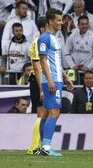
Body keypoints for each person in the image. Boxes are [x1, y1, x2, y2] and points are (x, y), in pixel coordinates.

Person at [36, 8, 73, 157]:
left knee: (46, 114)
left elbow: (55, 62)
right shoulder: (44, 38)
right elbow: (43, 61)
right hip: (51, 81)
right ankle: (46, 146)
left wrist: (65, 76)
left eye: (61, 19)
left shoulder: (55, 37)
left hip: (57, 78)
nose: (61, 22)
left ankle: (41, 146)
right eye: (58, 20)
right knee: (55, 112)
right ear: (50, 21)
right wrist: (50, 80)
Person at [26, 17, 47, 155]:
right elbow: (37, 68)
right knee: (41, 114)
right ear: (42, 28)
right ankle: (34, 147)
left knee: (45, 114)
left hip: (43, 79)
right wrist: (40, 88)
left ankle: (41, 145)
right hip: (37, 79)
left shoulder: (44, 42)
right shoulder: (36, 43)